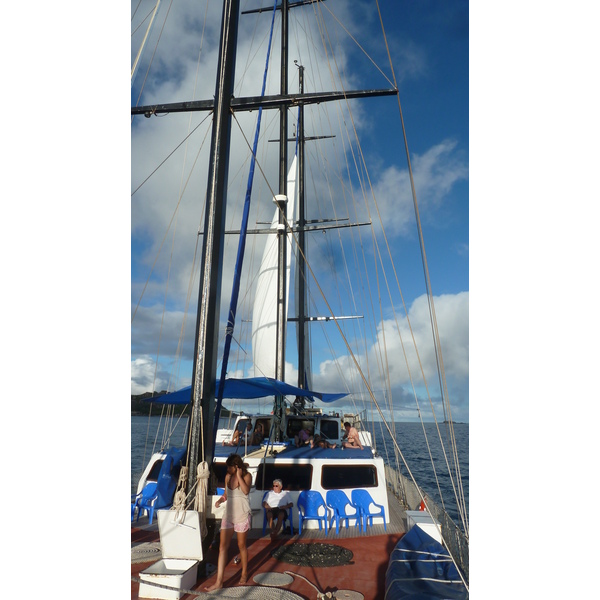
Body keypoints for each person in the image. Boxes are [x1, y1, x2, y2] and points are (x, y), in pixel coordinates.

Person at [204, 454, 252, 591]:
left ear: (236, 466)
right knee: (222, 547)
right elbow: (226, 494)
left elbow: (246, 491)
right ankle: (219, 582)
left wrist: (239, 475)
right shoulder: (227, 477)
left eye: (229, 467)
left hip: (242, 515)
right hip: (229, 516)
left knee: (241, 545)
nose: (227, 469)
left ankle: (244, 572)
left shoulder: (247, 477)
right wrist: (221, 500)